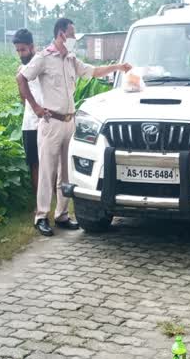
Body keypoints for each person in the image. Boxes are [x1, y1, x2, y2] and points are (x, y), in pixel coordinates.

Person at [16, 18, 132, 236]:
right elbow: (21, 78)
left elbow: (93, 71)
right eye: (71, 34)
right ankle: (41, 216)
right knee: (47, 172)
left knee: (66, 172)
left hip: (69, 122)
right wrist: (36, 107)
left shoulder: (70, 59)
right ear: (61, 34)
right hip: (51, 123)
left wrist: (118, 67)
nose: (73, 39)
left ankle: (61, 214)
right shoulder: (44, 58)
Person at [12, 28, 44, 198]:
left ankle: (53, 199)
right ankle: (39, 202)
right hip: (30, 123)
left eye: (23, 49)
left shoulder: (43, 63)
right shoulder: (21, 69)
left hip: (47, 121)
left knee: (51, 163)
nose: (20, 54)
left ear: (32, 47)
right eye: (18, 50)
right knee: (34, 164)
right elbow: (22, 99)